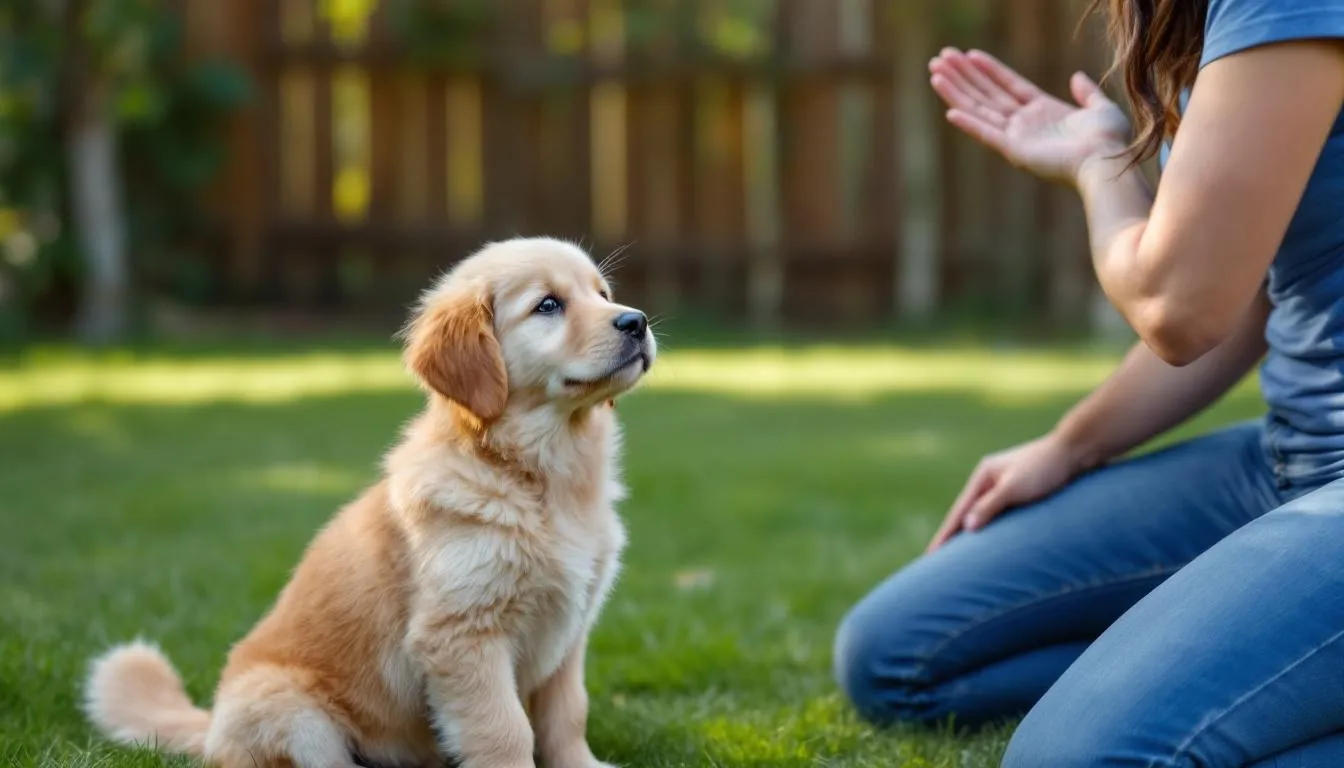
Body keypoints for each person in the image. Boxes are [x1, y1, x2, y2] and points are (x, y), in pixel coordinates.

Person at [831, 0, 1344, 765]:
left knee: (1072, 759)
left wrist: (1097, 166)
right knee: (898, 657)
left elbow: (1178, 305)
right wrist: (1069, 447)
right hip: (1293, 462)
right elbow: (1240, 295)